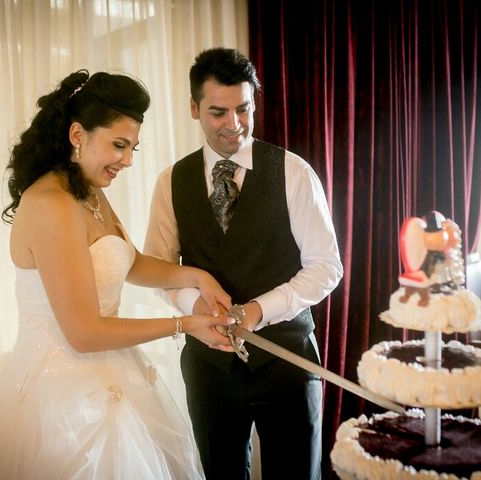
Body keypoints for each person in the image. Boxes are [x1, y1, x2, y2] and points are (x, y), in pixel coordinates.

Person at [0, 69, 236, 479]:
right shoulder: (53, 205)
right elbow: (83, 333)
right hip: (63, 399)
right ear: (78, 134)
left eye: (133, 147)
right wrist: (185, 324)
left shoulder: (87, 190)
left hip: (114, 373)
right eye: (119, 145)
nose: (129, 161)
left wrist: (197, 276)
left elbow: (128, 261)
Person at [144, 48, 343, 479]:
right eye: (218, 112)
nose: (234, 125)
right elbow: (158, 266)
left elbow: (326, 266)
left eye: (244, 109)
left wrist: (258, 310)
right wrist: (191, 303)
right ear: (194, 108)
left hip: (288, 361)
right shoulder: (170, 182)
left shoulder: (293, 172)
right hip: (208, 368)